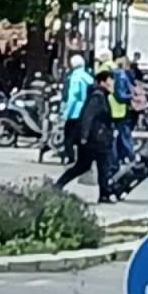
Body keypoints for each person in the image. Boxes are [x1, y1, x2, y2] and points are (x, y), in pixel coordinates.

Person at [56, 67, 115, 203]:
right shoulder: (97, 97)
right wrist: (84, 136)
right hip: (95, 139)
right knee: (102, 165)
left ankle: (59, 185)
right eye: (110, 81)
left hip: (96, 137)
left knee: (84, 165)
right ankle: (104, 194)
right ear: (102, 82)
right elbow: (88, 116)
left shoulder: (101, 96)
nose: (112, 85)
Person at [61, 53, 93, 165]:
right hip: (87, 110)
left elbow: (73, 97)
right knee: (82, 135)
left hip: (75, 111)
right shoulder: (87, 77)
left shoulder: (74, 78)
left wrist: (66, 113)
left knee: (68, 136)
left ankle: (69, 157)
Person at [109, 46, 135, 171]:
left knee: (118, 135)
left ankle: (120, 159)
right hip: (121, 108)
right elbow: (121, 93)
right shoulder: (121, 73)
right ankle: (130, 156)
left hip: (115, 108)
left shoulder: (113, 72)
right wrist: (131, 97)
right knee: (124, 134)